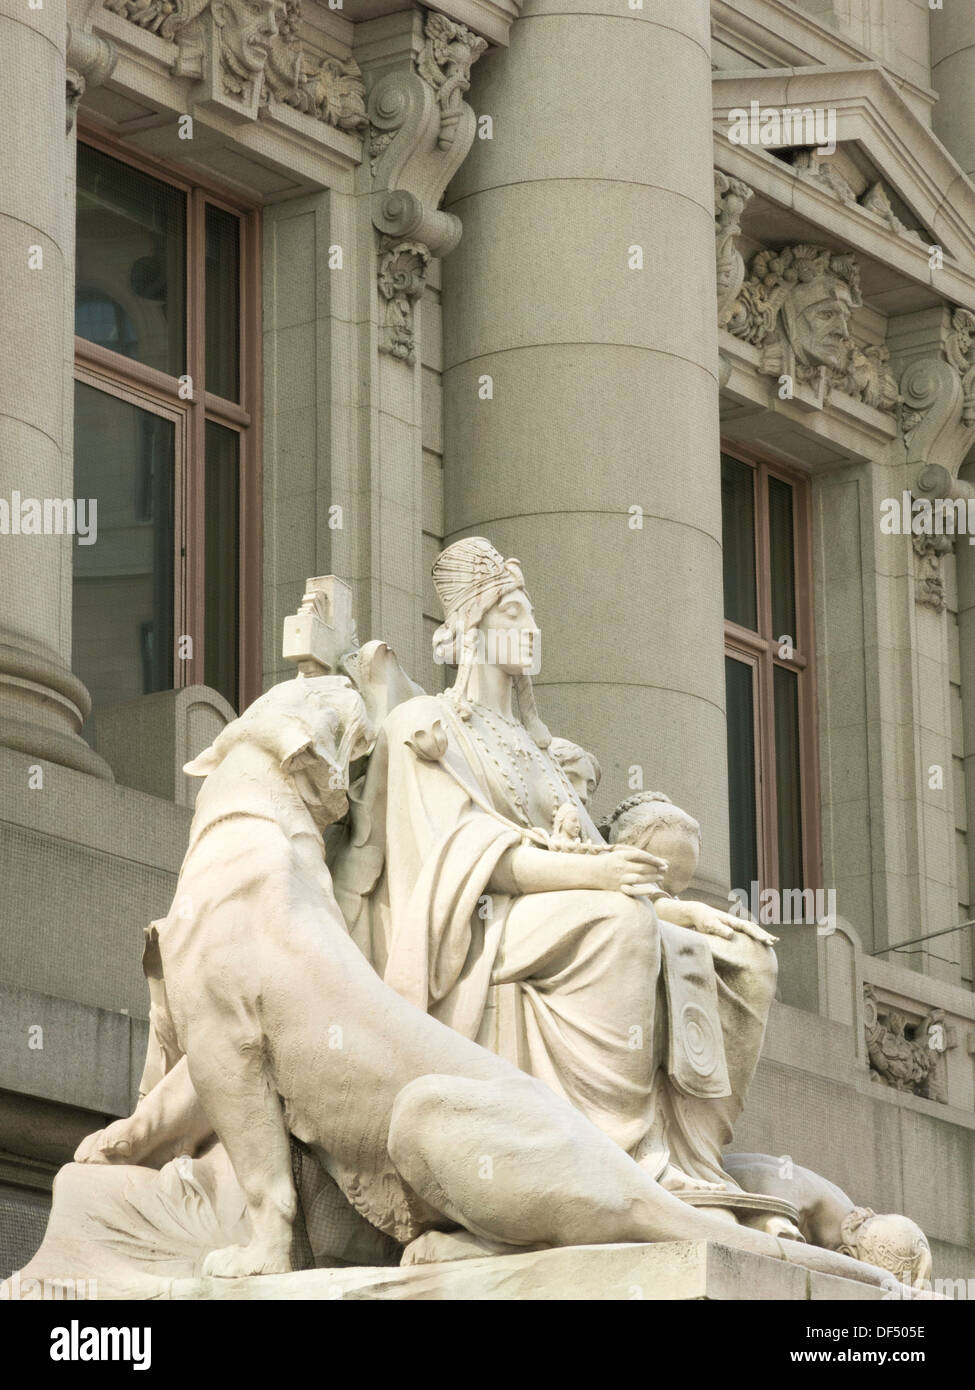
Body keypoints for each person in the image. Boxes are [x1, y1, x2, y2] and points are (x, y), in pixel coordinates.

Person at [332, 537, 778, 1195]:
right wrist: (594, 877)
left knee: (743, 954)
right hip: (476, 927)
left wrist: (664, 902)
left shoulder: (543, 752)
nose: (532, 628)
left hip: (556, 910)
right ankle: (623, 1157)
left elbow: (592, 857)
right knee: (618, 923)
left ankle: (693, 1161)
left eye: (530, 613)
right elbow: (464, 849)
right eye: (513, 612)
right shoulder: (425, 724)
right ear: (470, 628)